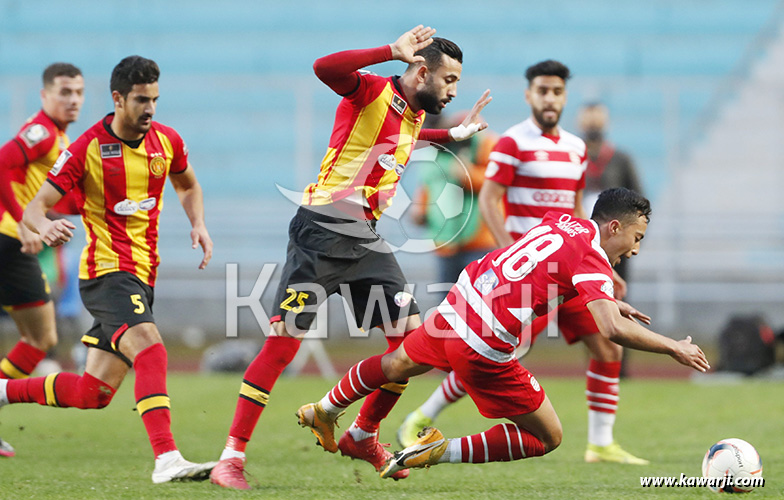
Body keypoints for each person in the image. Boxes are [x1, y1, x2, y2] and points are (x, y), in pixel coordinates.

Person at [209, 26, 492, 490]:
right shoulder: (370, 91)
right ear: (421, 71)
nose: (453, 90)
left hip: (365, 239)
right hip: (321, 230)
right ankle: (231, 458)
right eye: (449, 80)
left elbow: (405, 137)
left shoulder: (414, 114)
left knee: (412, 346)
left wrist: (454, 132)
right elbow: (324, 68)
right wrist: (387, 51)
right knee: (282, 346)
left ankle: (363, 434)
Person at [297, 188, 709, 478]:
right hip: (483, 344)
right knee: (547, 436)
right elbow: (610, 329)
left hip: (460, 302)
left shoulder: (563, 221)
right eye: (636, 238)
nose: (635, 249)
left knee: (398, 362)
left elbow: (545, 271)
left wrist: (606, 298)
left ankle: (328, 409)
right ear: (615, 227)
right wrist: (674, 347)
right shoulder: (592, 257)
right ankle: (438, 450)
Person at [398, 60, 647, 465]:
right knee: (499, 355)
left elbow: (576, 208)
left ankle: (600, 444)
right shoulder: (512, 142)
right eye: (542, 90)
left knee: (606, 346)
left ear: (564, 97)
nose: (550, 98)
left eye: (557, 91)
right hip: (529, 275)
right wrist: (507, 252)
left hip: (573, 266)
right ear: (529, 95)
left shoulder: (576, 148)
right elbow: (492, 199)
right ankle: (421, 417)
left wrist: (599, 263)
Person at [0, 56, 216, 484]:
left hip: (143, 274)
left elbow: (187, 183)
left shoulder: (167, 141)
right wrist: (45, 227)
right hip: (107, 274)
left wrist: (198, 223)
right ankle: (167, 458)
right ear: (118, 99)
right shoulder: (86, 149)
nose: (150, 109)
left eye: (154, 99)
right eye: (140, 100)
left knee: (92, 393)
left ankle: (2, 391)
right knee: (152, 350)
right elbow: (33, 208)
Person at [0, 63, 85, 458]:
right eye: (64, 92)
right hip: (7, 240)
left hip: (12, 243)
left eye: (78, 93)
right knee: (41, 338)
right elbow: (2, 163)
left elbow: (50, 193)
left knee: (42, 338)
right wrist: (25, 223)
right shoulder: (41, 131)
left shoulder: (58, 136)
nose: (73, 100)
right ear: (45, 95)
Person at [410, 113, 498, 286]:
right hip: (445, 243)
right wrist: (420, 211)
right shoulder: (436, 153)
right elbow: (431, 183)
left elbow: (495, 184)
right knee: (446, 300)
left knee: (481, 300)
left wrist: (468, 173)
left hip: (479, 244)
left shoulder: (483, 145)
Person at [578, 101, 643, 282]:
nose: (593, 127)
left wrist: (632, 237)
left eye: (597, 122)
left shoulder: (621, 160)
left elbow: (638, 199)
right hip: (579, 236)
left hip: (615, 236)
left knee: (616, 290)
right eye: (589, 122)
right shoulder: (571, 155)